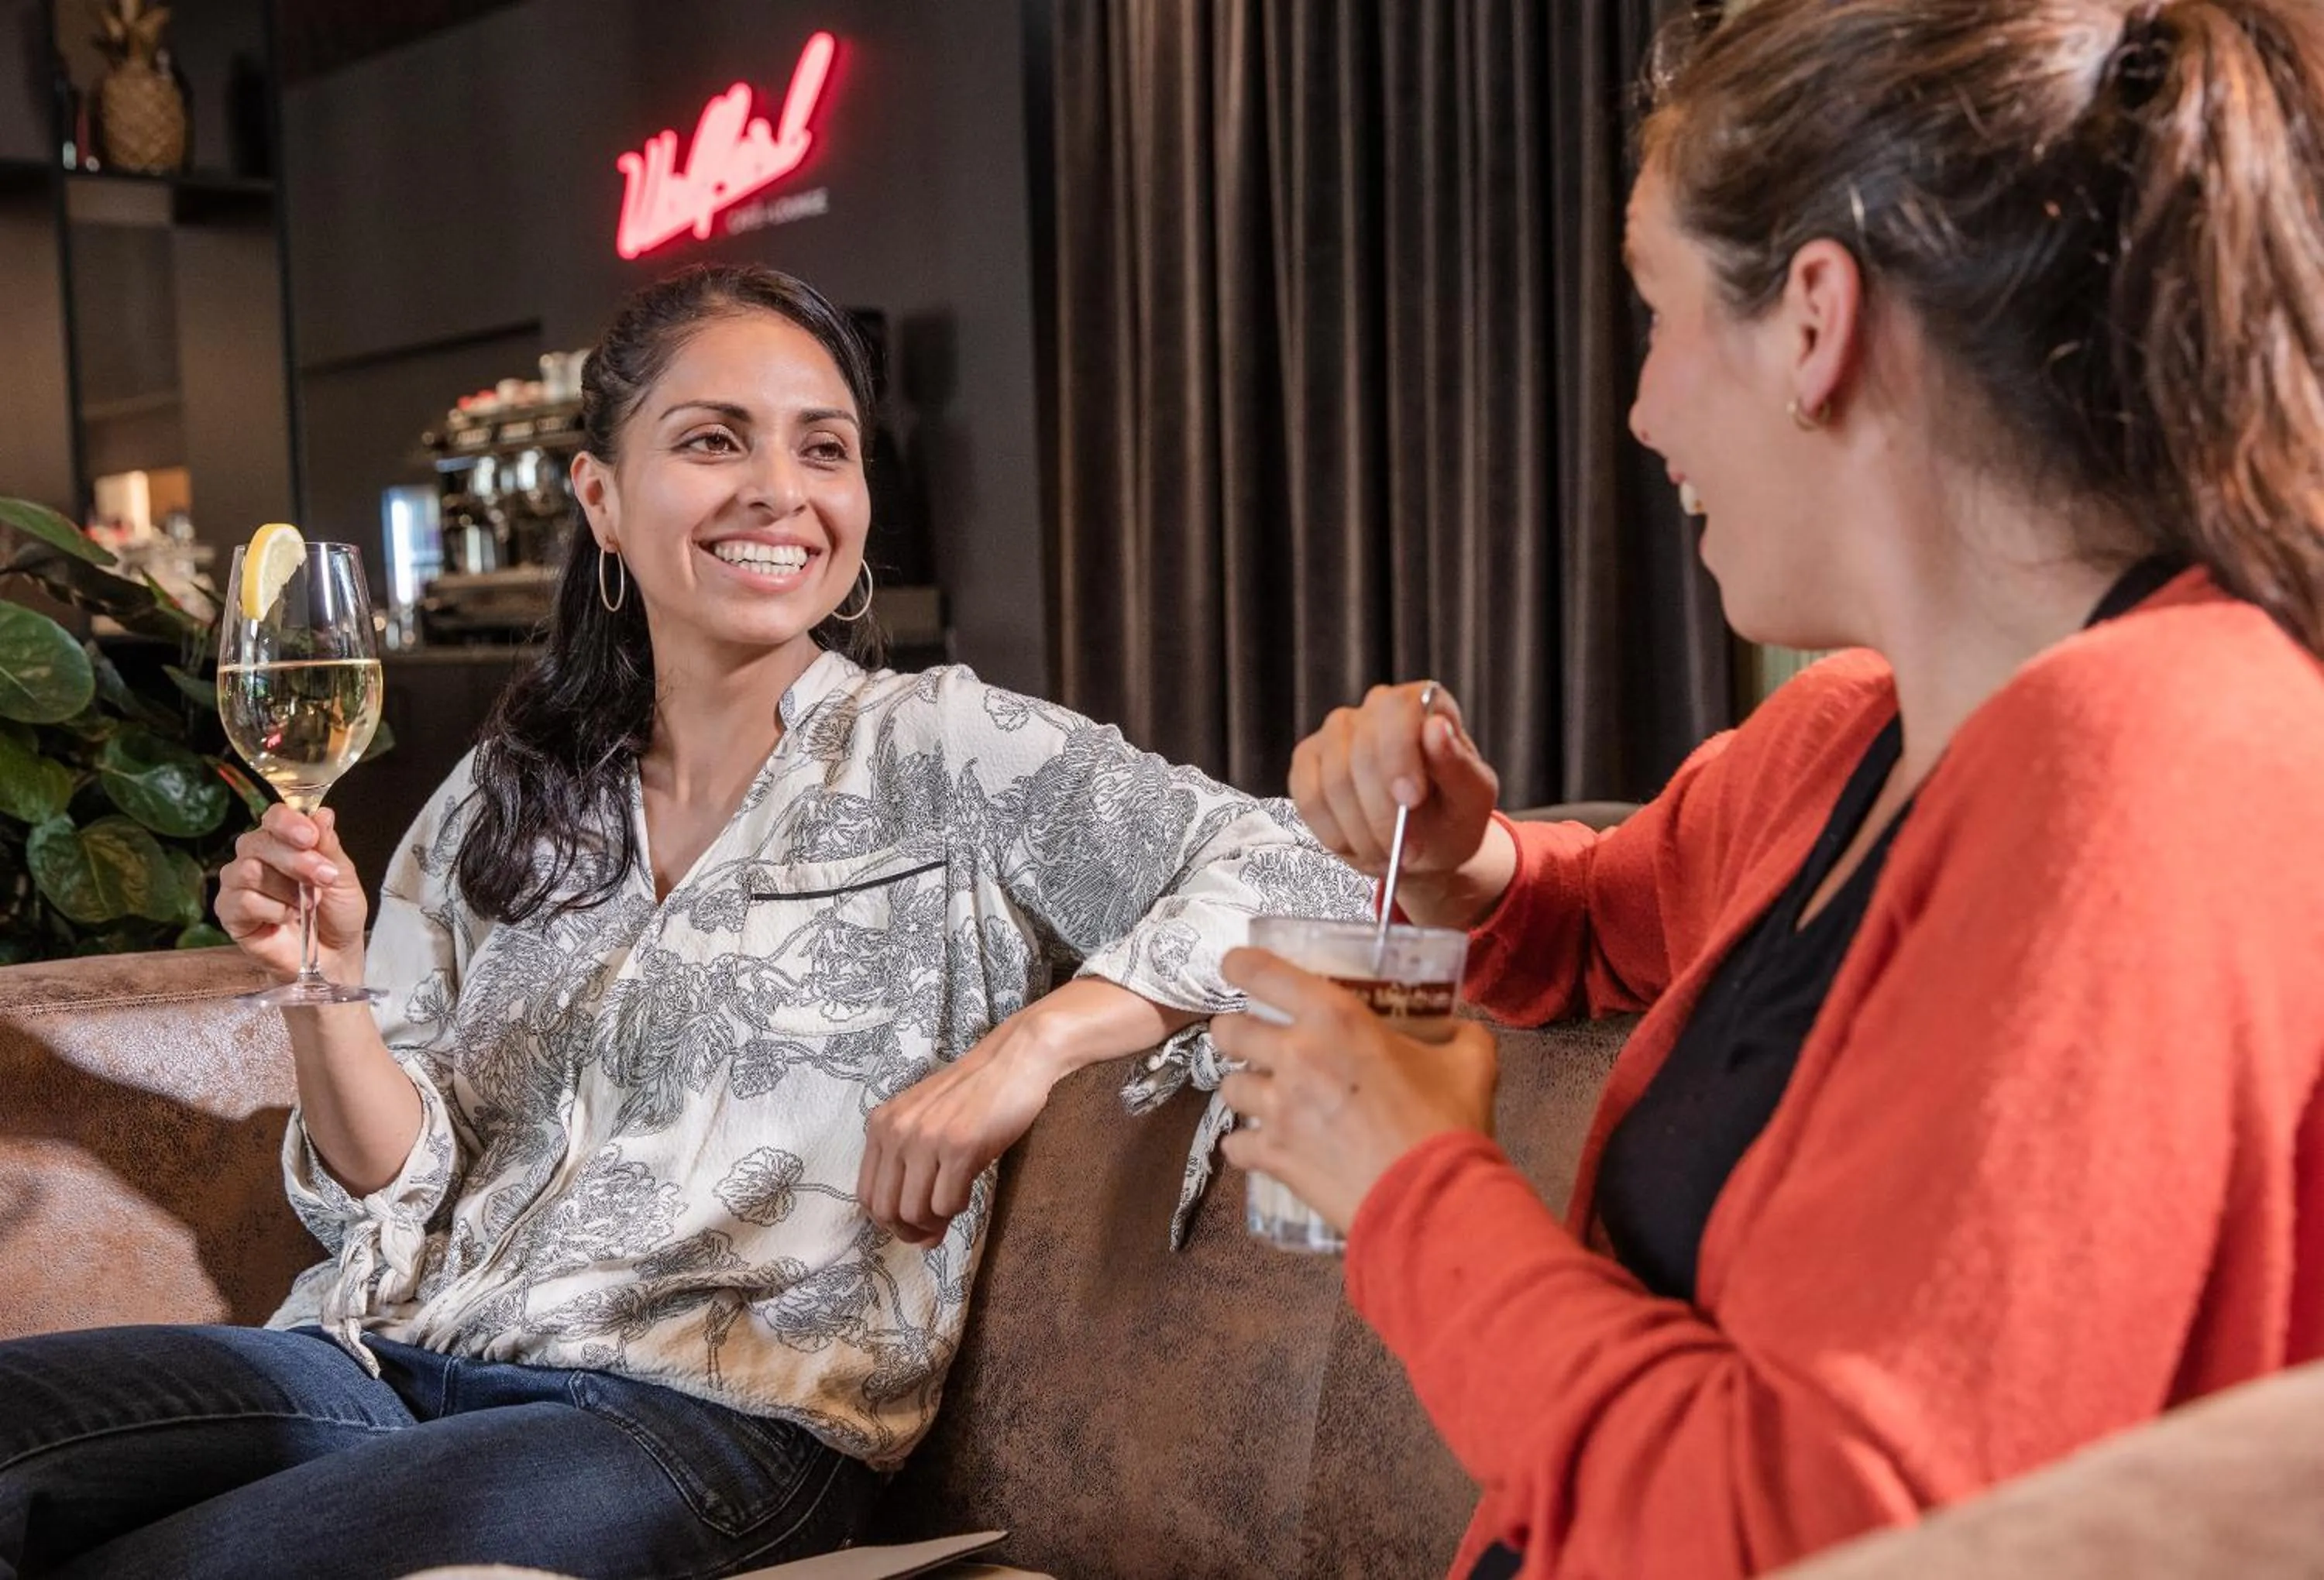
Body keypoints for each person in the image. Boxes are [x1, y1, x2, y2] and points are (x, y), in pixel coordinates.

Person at [0, 263, 1367, 1580]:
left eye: (825, 450)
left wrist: (1031, 1049)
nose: (780, 489)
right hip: (386, 1358)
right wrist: (326, 982)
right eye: (714, 440)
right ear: (601, 495)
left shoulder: (948, 748)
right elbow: (389, 1178)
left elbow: (1311, 866)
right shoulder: (509, 795)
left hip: (701, 1425)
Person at [1214, 2, 2324, 1576]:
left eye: (1657, 318)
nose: (1644, 410)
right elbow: (1599, 918)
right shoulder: (1847, 741)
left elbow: (1817, 1536)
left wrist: (1412, 1187)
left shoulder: (2160, 760)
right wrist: (1476, 871)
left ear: (1815, 321)